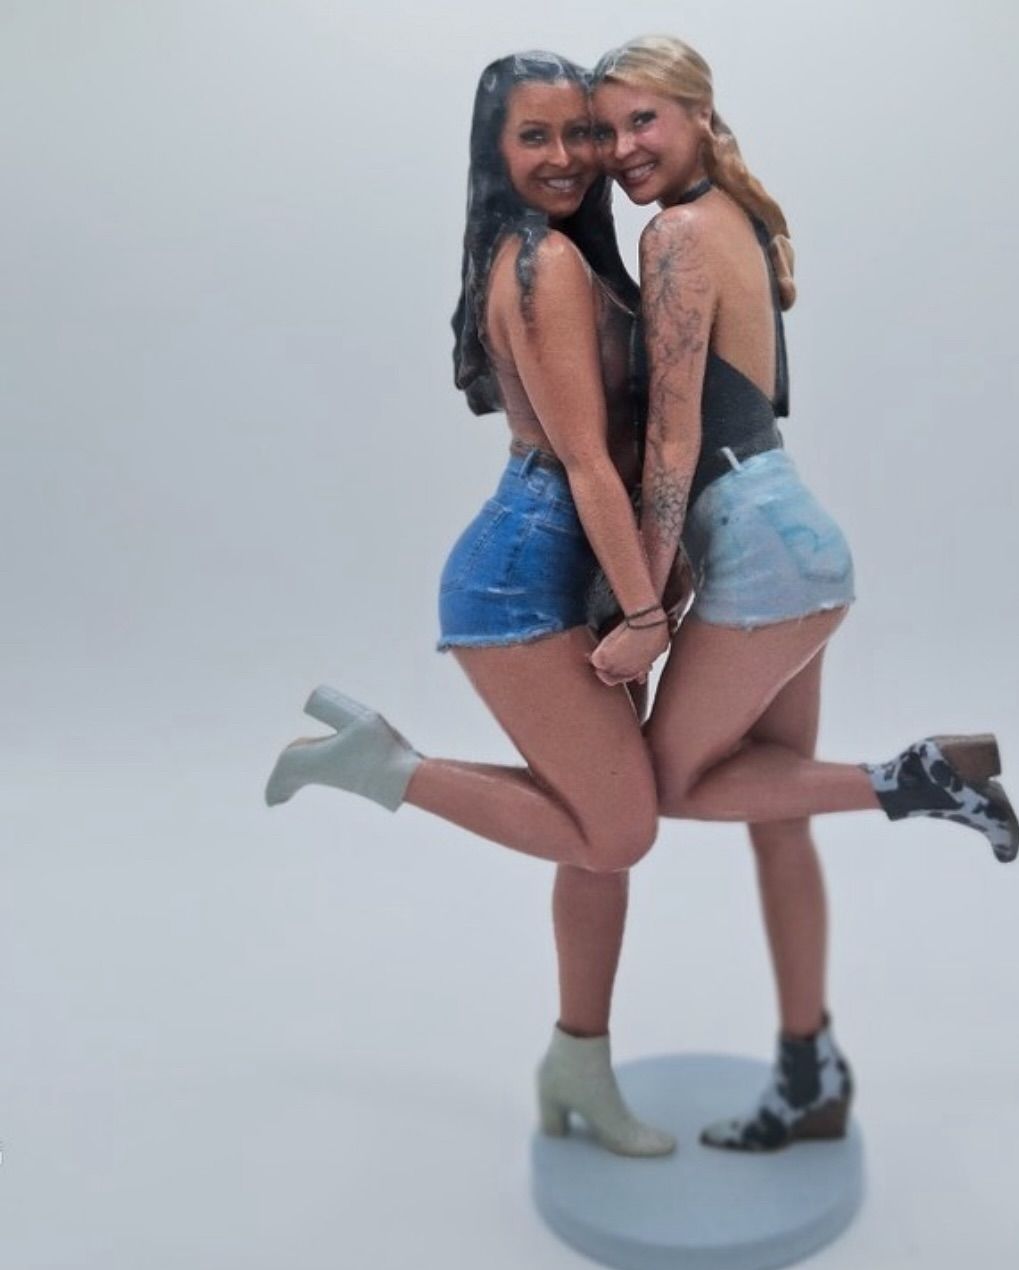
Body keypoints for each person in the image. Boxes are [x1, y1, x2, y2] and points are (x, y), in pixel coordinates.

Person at [588, 35, 1019, 1152]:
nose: (624, 147)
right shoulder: (730, 215)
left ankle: (915, 779)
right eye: (609, 126)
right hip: (792, 534)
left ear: (694, 113)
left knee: (670, 788)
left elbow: (676, 433)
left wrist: (644, 604)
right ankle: (809, 1075)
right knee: (776, 816)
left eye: (645, 120)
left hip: (761, 546)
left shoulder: (679, 233)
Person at [265, 51, 674, 1156]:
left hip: (574, 567)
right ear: (496, 152)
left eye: (581, 135)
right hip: (523, 576)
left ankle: (576, 1065)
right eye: (535, 137)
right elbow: (589, 462)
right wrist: (646, 615)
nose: (566, 158)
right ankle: (382, 767)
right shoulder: (540, 266)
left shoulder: (564, 259)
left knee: (592, 849)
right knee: (623, 827)